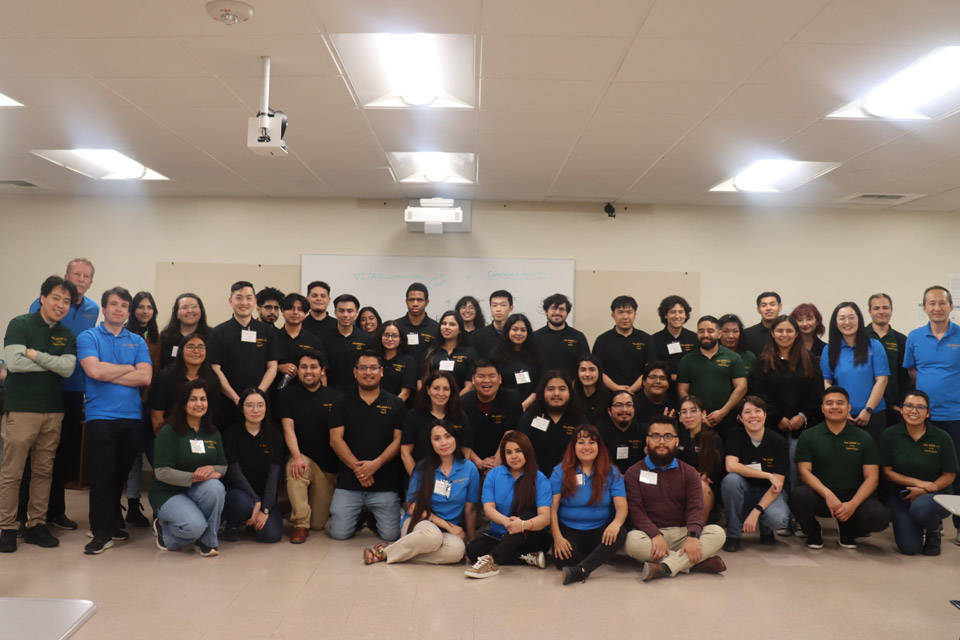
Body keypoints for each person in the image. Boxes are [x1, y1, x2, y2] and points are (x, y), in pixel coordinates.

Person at [0, 276, 78, 553]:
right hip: (22, 409)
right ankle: (7, 527)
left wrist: (35, 355)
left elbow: (68, 368)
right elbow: (14, 363)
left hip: (53, 411)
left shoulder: (66, 334)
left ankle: (36, 524)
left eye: (66, 301)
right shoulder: (20, 323)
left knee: (44, 472)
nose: (60, 305)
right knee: (12, 472)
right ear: (42, 298)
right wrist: (51, 363)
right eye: (56, 298)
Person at [23, 258, 98, 532]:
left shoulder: (93, 309)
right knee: (37, 454)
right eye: (76, 274)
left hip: (75, 389)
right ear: (66, 276)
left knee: (65, 454)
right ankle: (23, 515)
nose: (81, 279)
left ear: (91, 282)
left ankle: (56, 511)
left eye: (86, 276)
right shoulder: (44, 303)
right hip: (45, 387)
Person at [78, 287, 153, 554]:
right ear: (104, 308)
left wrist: (109, 371)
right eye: (114, 304)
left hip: (132, 418)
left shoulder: (138, 341)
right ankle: (100, 532)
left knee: (119, 474)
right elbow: (94, 371)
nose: (119, 309)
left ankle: (110, 521)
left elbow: (145, 378)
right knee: (101, 474)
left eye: (124, 305)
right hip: (100, 417)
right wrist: (128, 368)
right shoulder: (88, 336)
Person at [624, 416, 727, 581]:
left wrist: (692, 536)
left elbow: (696, 508)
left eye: (668, 436)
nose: (662, 441)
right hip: (650, 536)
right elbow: (636, 511)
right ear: (647, 440)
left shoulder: (689, 472)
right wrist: (655, 535)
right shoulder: (633, 473)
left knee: (718, 532)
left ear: (677, 441)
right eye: (656, 436)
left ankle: (664, 567)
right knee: (632, 541)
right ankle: (697, 563)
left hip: (682, 532)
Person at [363, 420, 479, 565]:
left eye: (448, 436)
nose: (444, 443)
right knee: (433, 536)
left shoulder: (469, 469)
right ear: (430, 443)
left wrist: (472, 540)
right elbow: (412, 506)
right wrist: (447, 525)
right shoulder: (422, 468)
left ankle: (394, 551)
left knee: (457, 551)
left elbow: (470, 509)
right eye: (437, 439)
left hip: (448, 530)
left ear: (455, 438)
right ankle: (385, 553)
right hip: (419, 523)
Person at [790, 386, 889, 549]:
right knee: (798, 496)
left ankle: (848, 528)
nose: (834, 407)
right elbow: (804, 472)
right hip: (822, 497)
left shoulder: (864, 437)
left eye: (840, 403)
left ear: (849, 408)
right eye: (829, 403)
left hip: (852, 497)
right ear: (822, 408)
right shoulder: (809, 435)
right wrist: (828, 494)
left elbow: (872, 478)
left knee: (878, 517)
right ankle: (813, 531)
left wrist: (852, 504)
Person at [328, 351, 406, 541]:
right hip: (350, 482)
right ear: (355, 372)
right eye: (363, 368)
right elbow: (335, 440)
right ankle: (361, 514)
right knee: (339, 534)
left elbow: (398, 441)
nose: (368, 372)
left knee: (391, 535)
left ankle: (373, 515)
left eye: (373, 368)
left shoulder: (396, 403)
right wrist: (359, 469)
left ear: (381, 372)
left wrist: (376, 464)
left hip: (384, 483)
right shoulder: (341, 402)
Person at [750, 315, 824, 515]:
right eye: (780, 331)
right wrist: (777, 418)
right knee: (779, 471)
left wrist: (802, 415)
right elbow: (758, 394)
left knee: (797, 469)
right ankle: (782, 513)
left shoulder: (809, 359)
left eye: (789, 331)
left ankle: (800, 514)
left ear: (796, 333)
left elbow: (816, 393)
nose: (785, 335)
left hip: (803, 425)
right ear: (773, 334)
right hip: (773, 426)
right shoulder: (762, 361)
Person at [904, 285, 960, 544]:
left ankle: (959, 525)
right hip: (924, 416)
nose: (937, 308)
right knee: (926, 468)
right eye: (931, 303)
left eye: (942, 303)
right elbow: (912, 373)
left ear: (951, 306)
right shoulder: (914, 337)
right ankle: (929, 521)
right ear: (924, 308)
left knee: (956, 472)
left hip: (955, 415)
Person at [149, 379, 226, 557]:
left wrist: (211, 467)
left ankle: (207, 541)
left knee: (216, 488)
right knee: (195, 526)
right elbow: (161, 472)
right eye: (193, 399)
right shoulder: (168, 432)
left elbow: (223, 466)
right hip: (168, 492)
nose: (199, 404)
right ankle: (165, 531)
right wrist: (194, 477)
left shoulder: (213, 432)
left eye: (203, 399)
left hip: (196, 489)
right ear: (184, 404)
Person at [880, 390, 958, 556]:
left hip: (936, 497)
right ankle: (917, 526)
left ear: (928, 413)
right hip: (902, 496)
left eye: (920, 407)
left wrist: (926, 490)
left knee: (921, 506)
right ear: (901, 409)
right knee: (909, 548)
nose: (914, 411)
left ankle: (933, 529)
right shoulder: (890, 435)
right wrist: (918, 483)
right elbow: (887, 472)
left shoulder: (942, 437)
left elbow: (949, 475)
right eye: (908, 406)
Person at [464, 431, 552, 577]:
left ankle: (491, 560)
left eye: (518, 451)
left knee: (527, 515)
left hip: (532, 536)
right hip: (500, 534)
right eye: (509, 452)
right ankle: (527, 557)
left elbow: (545, 518)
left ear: (527, 452)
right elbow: (488, 508)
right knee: (473, 550)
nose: (514, 456)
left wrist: (522, 525)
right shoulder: (494, 474)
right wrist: (508, 523)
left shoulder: (539, 478)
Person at [550, 424, 628, 585]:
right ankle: (590, 560)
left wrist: (616, 523)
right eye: (581, 442)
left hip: (599, 529)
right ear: (573, 447)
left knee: (620, 532)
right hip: (570, 529)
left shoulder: (611, 471)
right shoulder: (560, 471)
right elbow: (552, 509)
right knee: (563, 561)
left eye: (592, 442)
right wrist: (557, 538)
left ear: (599, 446)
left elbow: (622, 506)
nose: (587, 447)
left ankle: (582, 569)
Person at [280, 350, 343, 543]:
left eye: (314, 367)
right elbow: (288, 428)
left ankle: (306, 518)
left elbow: (341, 437)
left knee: (317, 523)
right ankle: (300, 523)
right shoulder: (288, 395)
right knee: (295, 468)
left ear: (322, 370)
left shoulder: (337, 397)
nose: (309, 371)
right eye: (304, 367)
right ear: (298, 370)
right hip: (304, 458)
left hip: (328, 469)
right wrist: (297, 456)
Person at [720, 397, 790, 552]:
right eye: (747, 412)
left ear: (765, 415)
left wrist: (757, 510)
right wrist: (768, 475)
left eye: (758, 411)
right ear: (740, 417)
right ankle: (733, 534)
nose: (753, 416)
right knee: (731, 480)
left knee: (778, 519)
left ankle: (766, 529)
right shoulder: (735, 435)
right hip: (744, 492)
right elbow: (731, 466)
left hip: (771, 493)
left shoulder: (778, 441)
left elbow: (778, 484)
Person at [207, 281, 279, 427]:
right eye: (239, 297)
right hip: (228, 403)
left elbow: (272, 366)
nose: (244, 302)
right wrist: (236, 398)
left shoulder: (267, 331)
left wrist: (257, 396)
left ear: (255, 302)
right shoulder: (218, 332)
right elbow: (215, 369)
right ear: (230, 301)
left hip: (259, 405)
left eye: (249, 298)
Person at [821, 302, 889, 445]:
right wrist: (842, 411)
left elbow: (882, 380)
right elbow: (827, 383)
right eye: (842, 318)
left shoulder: (875, 346)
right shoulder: (829, 350)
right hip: (841, 416)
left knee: (872, 461)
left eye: (851, 317)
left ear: (859, 319)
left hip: (873, 415)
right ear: (836, 322)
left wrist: (868, 410)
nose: (847, 322)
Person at [221, 388, 283, 544]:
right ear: (242, 408)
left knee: (271, 536)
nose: (255, 410)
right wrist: (255, 501)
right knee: (243, 503)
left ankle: (251, 519)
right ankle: (234, 521)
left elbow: (274, 473)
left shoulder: (274, 434)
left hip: (264, 494)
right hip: (238, 492)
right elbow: (234, 472)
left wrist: (266, 508)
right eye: (250, 405)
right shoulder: (231, 433)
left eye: (260, 405)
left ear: (266, 408)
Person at [123, 291, 162, 528]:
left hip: (153, 406)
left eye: (149, 307)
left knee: (158, 457)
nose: (145, 311)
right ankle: (132, 503)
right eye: (140, 306)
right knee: (132, 459)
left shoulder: (160, 338)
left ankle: (160, 506)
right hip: (127, 403)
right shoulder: (124, 334)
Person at [676, 315, 748, 439]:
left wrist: (723, 412)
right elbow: (682, 390)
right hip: (697, 422)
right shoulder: (687, 360)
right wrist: (696, 414)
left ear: (719, 334)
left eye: (710, 331)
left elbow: (741, 387)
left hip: (727, 420)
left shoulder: (733, 358)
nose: (705, 335)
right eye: (701, 331)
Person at [400, 371, 477, 474]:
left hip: (452, 480)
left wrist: (456, 477)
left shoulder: (461, 417)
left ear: (451, 392)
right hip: (421, 479)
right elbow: (405, 453)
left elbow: (466, 452)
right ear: (428, 390)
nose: (441, 393)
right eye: (436, 388)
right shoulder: (413, 416)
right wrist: (418, 481)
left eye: (446, 389)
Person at [517, 372, 587, 476]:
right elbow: (518, 450)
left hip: (570, 480)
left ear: (570, 393)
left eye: (562, 389)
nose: (556, 393)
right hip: (534, 479)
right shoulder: (530, 417)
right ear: (542, 392)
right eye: (551, 389)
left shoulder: (579, 419)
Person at [460, 359, 523, 473]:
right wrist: (479, 463)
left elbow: (510, 433)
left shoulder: (512, 398)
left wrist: (495, 463)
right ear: (473, 379)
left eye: (491, 376)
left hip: (505, 462)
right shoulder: (462, 403)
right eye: (481, 376)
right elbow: (462, 438)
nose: (486, 380)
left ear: (499, 379)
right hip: (472, 464)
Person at [149, 334, 220, 434]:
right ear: (181, 351)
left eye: (201, 347)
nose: (196, 351)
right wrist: (163, 439)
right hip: (171, 433)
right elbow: (156, 414)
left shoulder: (212, 379)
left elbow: (212, 414)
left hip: (200, 435)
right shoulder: (166, 377)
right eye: (190, 347)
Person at [591, 295, 657, 394]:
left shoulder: (647, 339)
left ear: (635, 314)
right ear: (613, 315)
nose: (625, 317)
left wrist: (632, 390)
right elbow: (597, 370)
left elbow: (651, 369)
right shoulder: (602, 340)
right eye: (620, 312)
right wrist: (616, 388)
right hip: (609, 395)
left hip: (640, 395)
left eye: (629, 312)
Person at [676, 396, 724, 518]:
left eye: (693, 410)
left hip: (704, 489)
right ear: (680, 417)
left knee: (700, 486)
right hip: (678, 485)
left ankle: (696, 531)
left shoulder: (713, 439)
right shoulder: (676, 438)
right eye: (684, 412)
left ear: (703, 414)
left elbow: (714, 473)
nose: (688, 415)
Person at [865, 293, 908, 429]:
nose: (881, 311)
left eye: (885, 307)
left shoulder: (901, 340)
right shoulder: (860, 337)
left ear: (891, 311)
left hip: (892, 406)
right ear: (869, 312)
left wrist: (901, 403)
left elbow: (905, 375)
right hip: (864, 406)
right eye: (876, 308)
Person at [321, 293, 374, 392]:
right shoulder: (323, 339)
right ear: (335, 312)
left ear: (357, 313)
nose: (345, 315)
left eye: (350, 311)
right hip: (331, 394)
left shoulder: (367, 339)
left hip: (359, 394)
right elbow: (322, 371)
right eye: (341, 311)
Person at [274, 293, 325, 392]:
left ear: (305, 314)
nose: (295, 312)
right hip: (275, 394)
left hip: (306, 394)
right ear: (282, 311)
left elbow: (323, 372)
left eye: (300, 310)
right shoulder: (273, 337)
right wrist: (279, 368)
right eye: (291, 308)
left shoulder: (313, 340)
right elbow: (261, 366)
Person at [491, 314, 544, 409]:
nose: (519, 333)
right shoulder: (496, 354)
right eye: (514, 329)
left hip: (532, 406)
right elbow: (492, 382)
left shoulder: (536, 353)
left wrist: (526, 404)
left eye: (523, 330)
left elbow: (543, 381)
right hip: (503, 405)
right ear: (507, 331)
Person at [533, 293, 589, 379]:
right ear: (546, 311)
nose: (557, 312)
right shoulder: (535, 337)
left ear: (567, 313)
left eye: (561, 309)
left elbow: (585, 366)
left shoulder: (578, 337)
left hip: (571, 389)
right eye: (553, 308)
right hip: (543, 389)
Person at [421, 310, 477, 395]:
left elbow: (469, 386)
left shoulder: (469, 353)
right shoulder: (430, 352)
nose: (446, 327)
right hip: (433, 402)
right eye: (444, 323)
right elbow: (421, 382)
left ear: (460, 330)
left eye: (452, 324)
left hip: (459, 403)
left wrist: (455, 402)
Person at [158, 293, 210, 370]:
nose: (190, 311)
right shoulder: (165, 337)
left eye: (194, 307)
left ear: (201, 311)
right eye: (184, 307)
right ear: (177, 314)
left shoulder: (211, 336)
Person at [598, 391, 646, 474]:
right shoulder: (599, 432)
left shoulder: (644, 430)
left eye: (629, 405)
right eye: (618, 405)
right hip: (608, 479)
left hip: (637, 478)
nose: (624, 409)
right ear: (609, 411)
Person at [652, 295, 697, 379]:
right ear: (665, 315)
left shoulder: (694, 338)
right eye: (672, 312)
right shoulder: (654, 339)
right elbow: (653, 367)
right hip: (663, 385)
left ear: (686, 315)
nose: (677, 316)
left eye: (680, 312)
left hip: (689, 384)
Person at [394, 283, 439, 365]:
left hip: (427, 376)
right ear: (406, 301)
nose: (415, 304)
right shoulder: (396, 326)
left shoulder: (436, 328)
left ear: (427, 302)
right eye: (411, 300)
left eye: (419, 300)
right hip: (400, 375)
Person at [374, 321, 417, 403]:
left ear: (401, 340)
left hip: (398, 408)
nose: (390, 339)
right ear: (380, 337)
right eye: (386, 335)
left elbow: (405, 393)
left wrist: (390, 408)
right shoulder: (374, 359)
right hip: (374, 408)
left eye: (394, 336)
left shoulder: (408, 361)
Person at [469, 290, 514, 359]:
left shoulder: (516, 335)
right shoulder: (478, 336)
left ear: (511, 308)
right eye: (494, 305)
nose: (498, 309)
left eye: (503, 305)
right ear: (490, 308)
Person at [634, 361, 677, 426]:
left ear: (668, 384)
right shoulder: (633, 404)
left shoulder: (675, 403)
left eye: (663, 378)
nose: (658, 381)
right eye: (653, 377)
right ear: (643, 382)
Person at [572, 355, 610, 425]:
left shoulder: (608, 399)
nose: (587, 374)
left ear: (599, 372)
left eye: (592, 370)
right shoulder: (571, 398)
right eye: (583, 370)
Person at [790, 303, 827, 368]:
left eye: (809, 319)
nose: (805, 324)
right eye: (800, 320)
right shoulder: (788, 347)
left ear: (817, 321)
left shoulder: (825, 349)